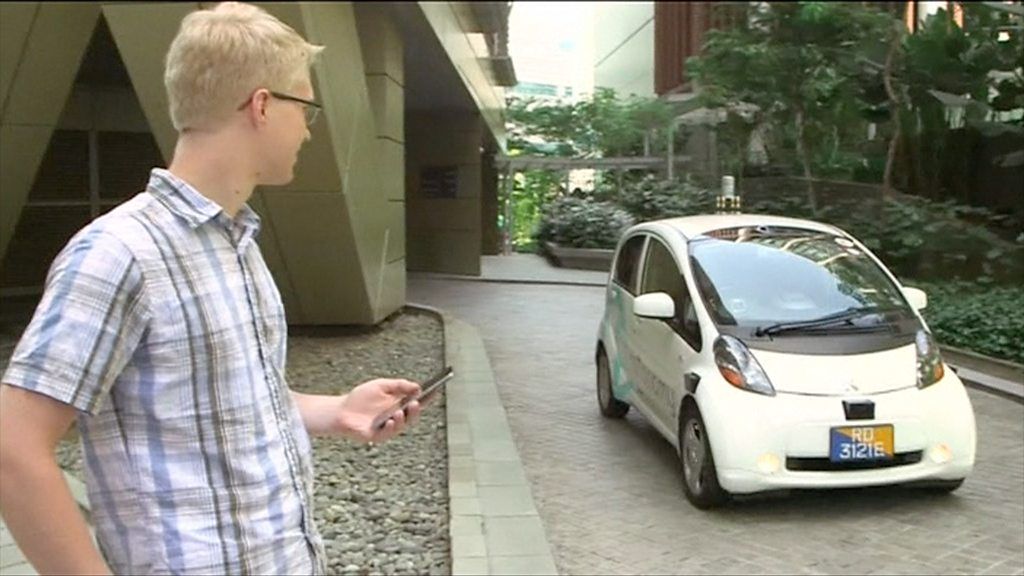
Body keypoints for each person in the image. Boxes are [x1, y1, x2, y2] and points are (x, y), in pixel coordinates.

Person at [0, 3, 423, 574]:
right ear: (263, 105)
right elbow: (13, 448)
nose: (307, 129)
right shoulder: (118, 253)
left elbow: (230, 400)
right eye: (306, 107)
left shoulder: (237, 243)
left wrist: (337, 410)